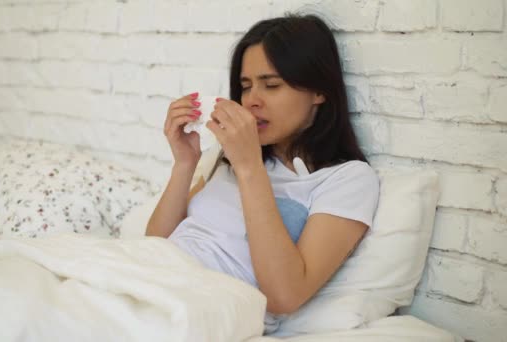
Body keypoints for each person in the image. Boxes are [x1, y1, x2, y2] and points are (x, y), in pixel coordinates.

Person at [145, 13, 379, 331]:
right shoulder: (226, 157)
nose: (252, 101)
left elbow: (285, 296)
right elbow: (154, 246)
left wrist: (250, 168)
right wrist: (185, 163)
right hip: (149, 277)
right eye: (245, 86)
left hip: (201, 306)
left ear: (319, 91)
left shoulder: (347, 179)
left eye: (271, 85)